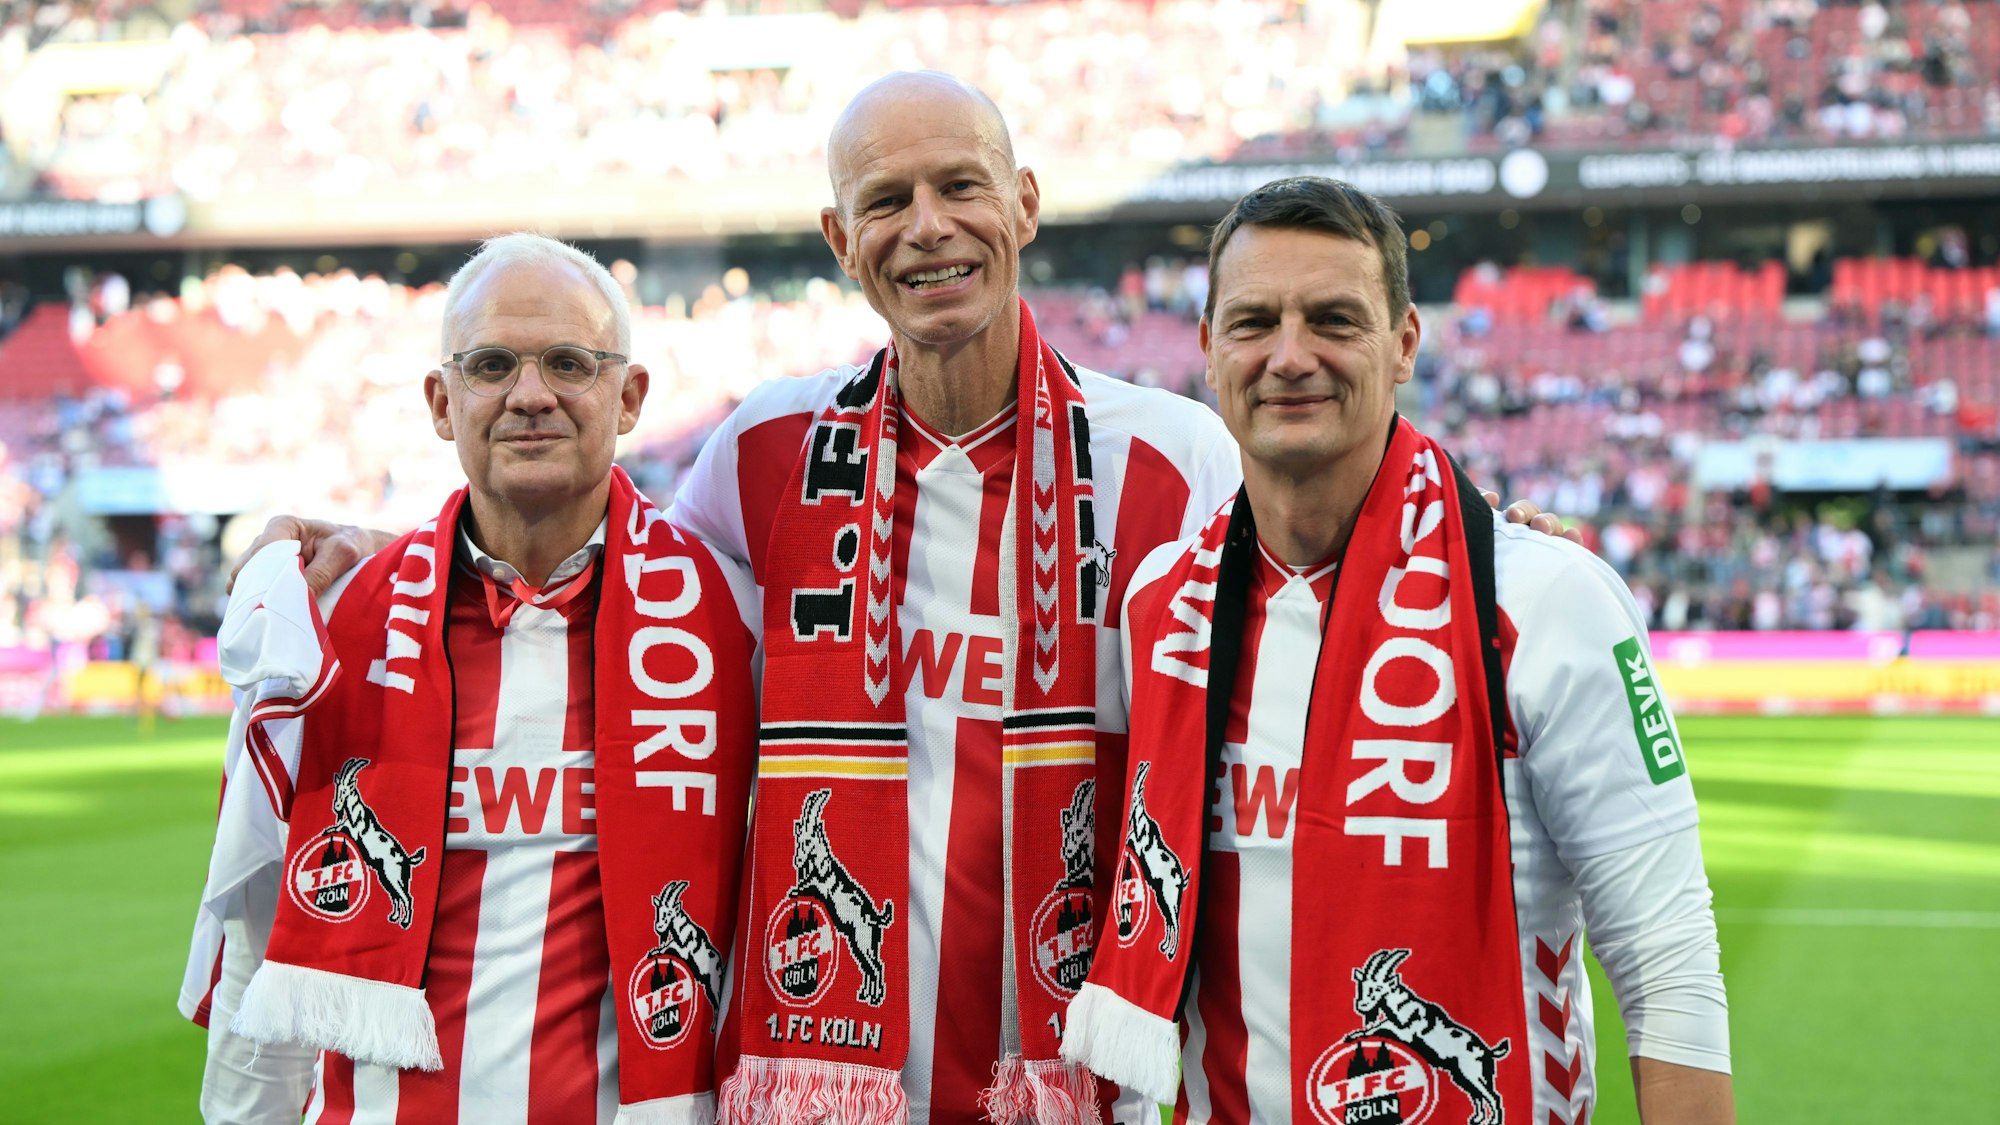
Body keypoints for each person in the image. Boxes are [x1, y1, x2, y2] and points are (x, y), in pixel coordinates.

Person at [229, 76, 1576, 1125]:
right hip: (822, 1073)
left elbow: (1323, 552)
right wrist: (393, 545)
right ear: (839, 239)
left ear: (1027, 202)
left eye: (958, 187)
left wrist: (1474, 539)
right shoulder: (757, 451)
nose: (926, 227)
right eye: (884, 202)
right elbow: (602, 573)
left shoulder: (1174, 452)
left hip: (1064, 1069)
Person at [1064, 177, 1734, 1125]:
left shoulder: (1544, 599)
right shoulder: (1156, 609)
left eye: (1334, 319)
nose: (1290, 357)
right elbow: (1143, 948)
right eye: (1254, 322)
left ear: (1405, 343)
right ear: (1209, 347)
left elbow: (1665, 957)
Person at [181, 234, 761, 1125]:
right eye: (492, 365)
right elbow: (265, 938)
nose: (531, 395)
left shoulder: (734, 620)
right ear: (442, 403)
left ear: (631, 396)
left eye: (570, 362)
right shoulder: (331, 624)